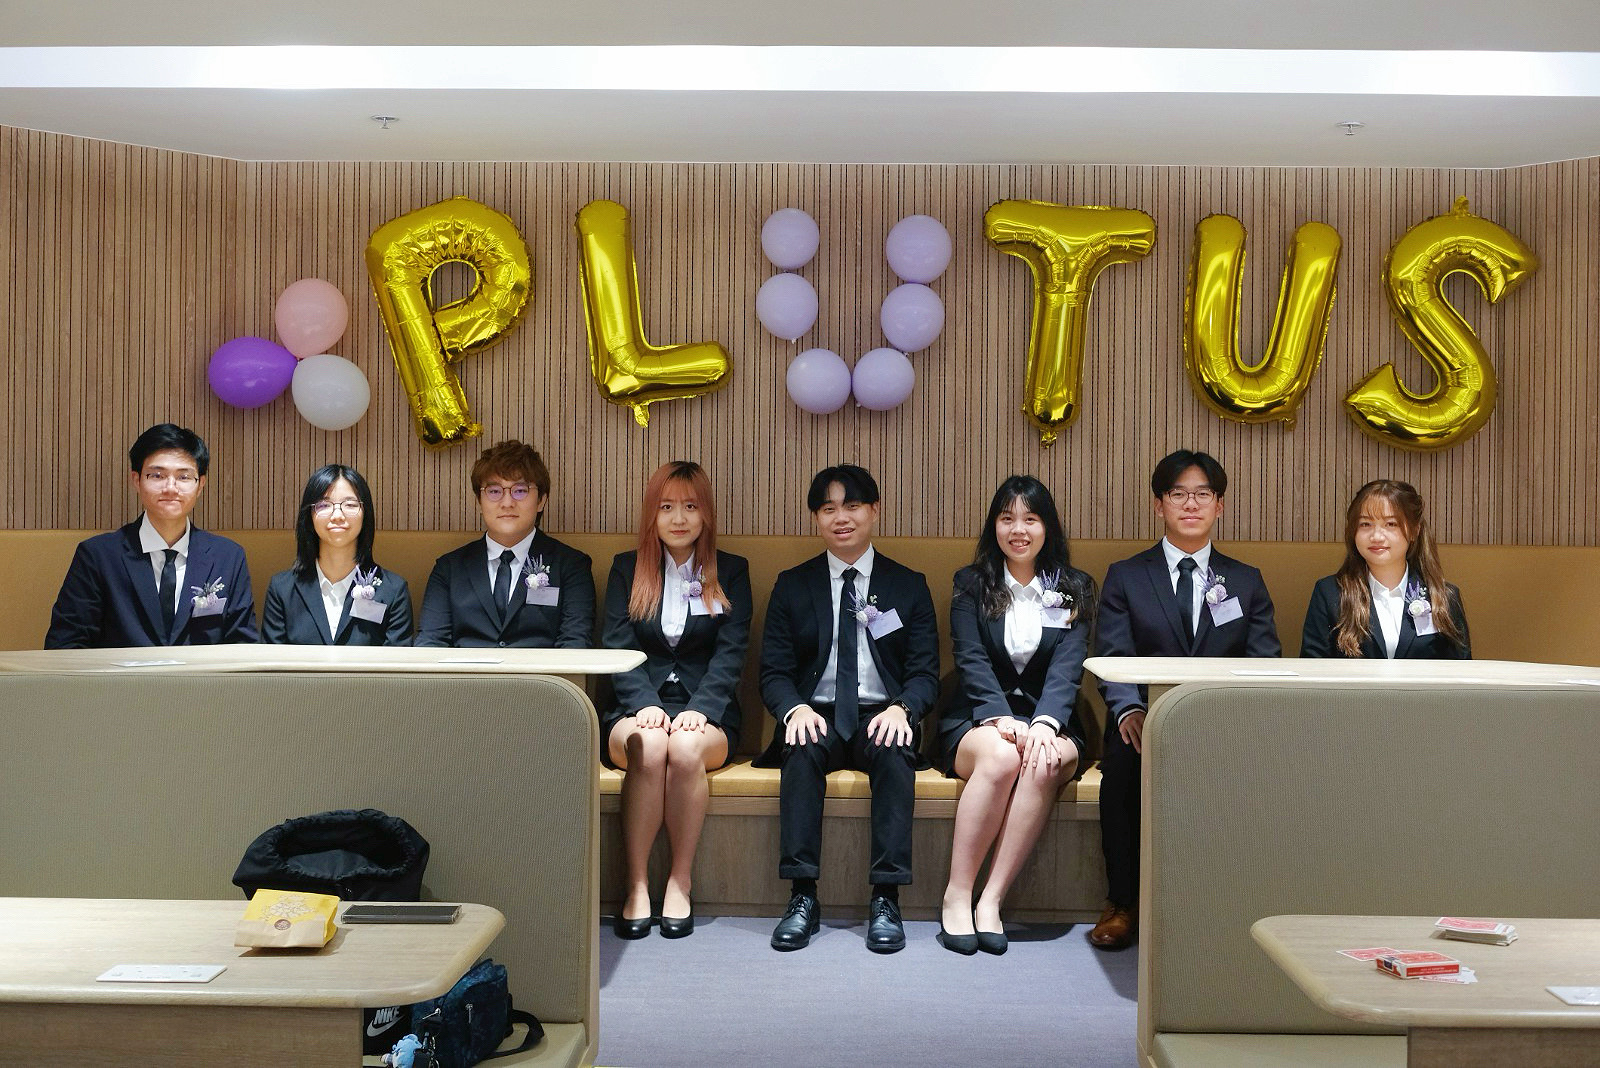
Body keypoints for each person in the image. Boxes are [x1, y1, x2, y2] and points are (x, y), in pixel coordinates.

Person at [1091, 449, 1280, 950]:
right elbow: (1112, 654)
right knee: (1122, 774)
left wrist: (1231, 721)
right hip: (1143, 724)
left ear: (1220, 505)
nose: (1190, 504)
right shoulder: (1127, 576)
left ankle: (1221, 906)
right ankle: (1122, 903)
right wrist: (1129, 709)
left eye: (1202, 494)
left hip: (1222, 725)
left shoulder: (1246, 580)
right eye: (1178, 494)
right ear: (1160, 505)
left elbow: (1263, 661)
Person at [759, 464, 939, 954]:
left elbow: (925, 673)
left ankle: (886, 898)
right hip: (815, 712)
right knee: (800, 748)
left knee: (895, 751)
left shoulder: (908, 584)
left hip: (881, 713)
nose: (841, 518)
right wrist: (793, 709)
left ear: (874, 511)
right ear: (816, 518)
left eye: (853, 506)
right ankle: (802, 895)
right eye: (828, 508)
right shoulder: (793, 584)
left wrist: (903, 708)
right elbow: (773, 672)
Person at [938, 476, 1095, 955]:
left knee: (1043, 760)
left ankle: (991, 899)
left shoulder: (1074, 587)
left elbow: (1069, 665)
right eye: (1007, 518)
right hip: (979, 716)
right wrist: (997, 716)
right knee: (1003, 757)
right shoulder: (970, 584)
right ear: (995, 526)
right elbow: (970, 657)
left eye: (1030, 518)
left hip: (1053, 716)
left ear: (1047, 527)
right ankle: (957, 894)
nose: (1018, 530)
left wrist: (1045, 721)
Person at [601, 461, 752, 939]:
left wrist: (701, 709)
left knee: (685, 749)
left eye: (690, 506)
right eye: (666, 507)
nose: (679, 518)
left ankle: (679, 881)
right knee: (649, 746)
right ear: (652, 513)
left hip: (708, 709)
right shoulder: (627, 568)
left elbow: (731, 652)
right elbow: (616, 643)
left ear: (706, 513)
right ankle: (636, 884)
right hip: (635, 706)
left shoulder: (730, 570)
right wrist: (642, 702)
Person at [45, 423, 256, 648]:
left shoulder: (228, 557)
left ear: (200, 484)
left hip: (202, 673)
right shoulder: (98, 556)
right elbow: (65, 645)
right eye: (157, 475)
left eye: (184, 477)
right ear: (136, 480)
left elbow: (243, 645)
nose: (171, 488)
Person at [415, 440, 595, 648]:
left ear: (541, 500)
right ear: (479, 501)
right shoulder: (449, 569)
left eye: (520, 490)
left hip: (539, 671)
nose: (507, 503)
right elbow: (431, 643)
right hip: (467, 671)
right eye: (494, 491)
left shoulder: (571, 566)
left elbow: (574, 644)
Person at [1300, 479, 1470, 660]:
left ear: (1414, 530)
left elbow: (1462, 671)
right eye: (1365, 524)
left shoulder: (1443, 597)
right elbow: (1313, 668)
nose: (1377, 536)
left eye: (1391, 524)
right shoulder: (1330, 594)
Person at [261, 464, 414, 646]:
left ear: (365, 514)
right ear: (309, 515)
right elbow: (273, 661)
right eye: (324, 505)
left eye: (350, 505)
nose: (337, 515)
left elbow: (395, 662)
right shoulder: (282, 589)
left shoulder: (393, 590)